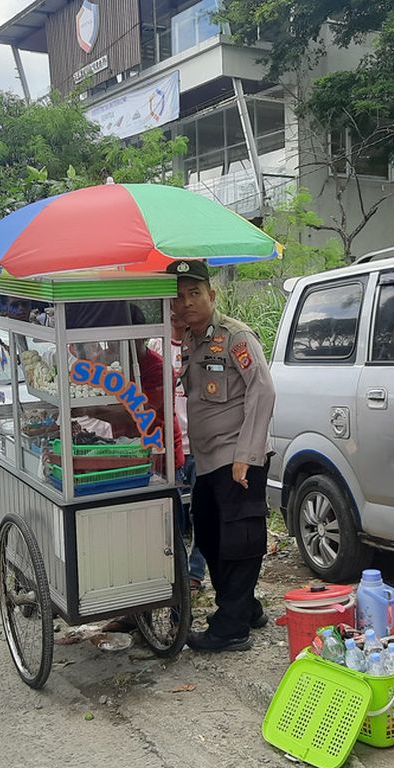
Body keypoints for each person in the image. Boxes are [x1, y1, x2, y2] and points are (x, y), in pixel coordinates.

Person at [170, 260, 276, 652]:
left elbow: (262, 392)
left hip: (238, 459)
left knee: (241, 540)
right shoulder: (192, 341)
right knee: (211, 536)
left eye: (195, 293)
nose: (187, 303)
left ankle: (231, 628)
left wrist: (246, 455)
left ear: (212, 296)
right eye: (179, 297)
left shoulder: (235, 337)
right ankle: (245, 608)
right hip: (209, 461)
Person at [150, 304, 204, 592]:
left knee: (203, 512)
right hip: (166, 447)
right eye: (170, 305)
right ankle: (174, 571)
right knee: (170, 512)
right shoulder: (154, 345)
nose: (176, 311)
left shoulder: (202, 345)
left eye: (181, 304)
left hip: (200, 444)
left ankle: (195, 572)